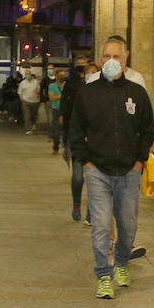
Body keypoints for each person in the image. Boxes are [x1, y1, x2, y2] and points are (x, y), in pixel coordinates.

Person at [69, 37, 154, 299]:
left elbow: (147, 131)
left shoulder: (137, 93)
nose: (110, 62)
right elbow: (76, 130)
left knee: (128, 227)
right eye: (106, 56)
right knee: (102, 226)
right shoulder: (88, 92)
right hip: (97, 170)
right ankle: (104, 276)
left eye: (116, 56)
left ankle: (122, 263)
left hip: (129, 172)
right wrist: (87, 161)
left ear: (126, 58)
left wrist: (139, 162)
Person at [61, 59, 87, 219]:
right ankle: (76, 204)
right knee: (78, 177)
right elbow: (65, 104)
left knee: (96, 181)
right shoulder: (71, 83)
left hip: (96, 140)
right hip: (76, 137)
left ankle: (91, 212)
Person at [47, 67, 66, 153]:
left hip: (66, 110)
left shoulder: (67, 85)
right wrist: (64, 96)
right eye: (60, 75)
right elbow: (52, 97)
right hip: (57, 110)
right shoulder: (52, 86)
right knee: (57, 129)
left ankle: (66, 146)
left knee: (66, 129)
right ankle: (56, 146)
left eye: (64, 75)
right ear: (56, 76)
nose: (62, 77)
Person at [19, 67, 41, 133]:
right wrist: (22, 100)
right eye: (26, 74)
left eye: (28, 74)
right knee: (27, 116)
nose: (27, 75)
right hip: (26, 102)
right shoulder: (22, 83)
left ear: (31, 74)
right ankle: (28, 129)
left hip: (35, 102)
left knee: (33, 115)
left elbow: (38, 92)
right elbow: (20, 93)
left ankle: (33, 124)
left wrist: (39, 99)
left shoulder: (36, 82)